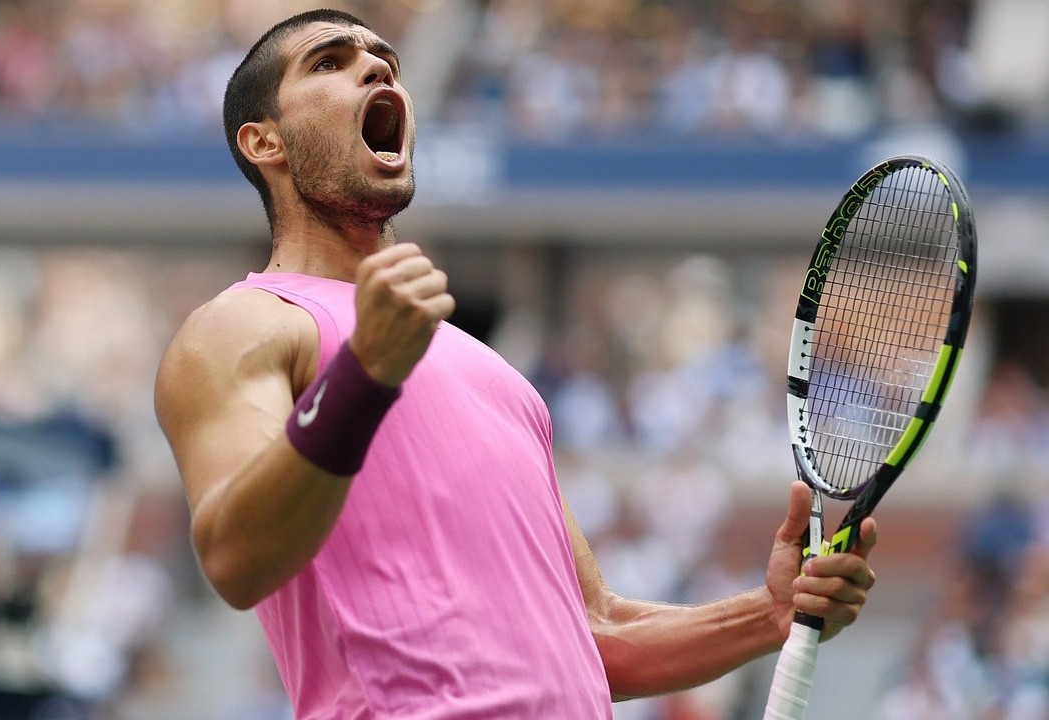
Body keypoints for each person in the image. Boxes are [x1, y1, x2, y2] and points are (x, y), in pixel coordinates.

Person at [154, 8, 879, 719]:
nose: (377, 66)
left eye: (384, 61)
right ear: (264, 142)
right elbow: (234, 556)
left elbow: (596, 634)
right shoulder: (243, 325)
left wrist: (767, 614)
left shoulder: (498, 379)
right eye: (328, 62)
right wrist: (362, 377)